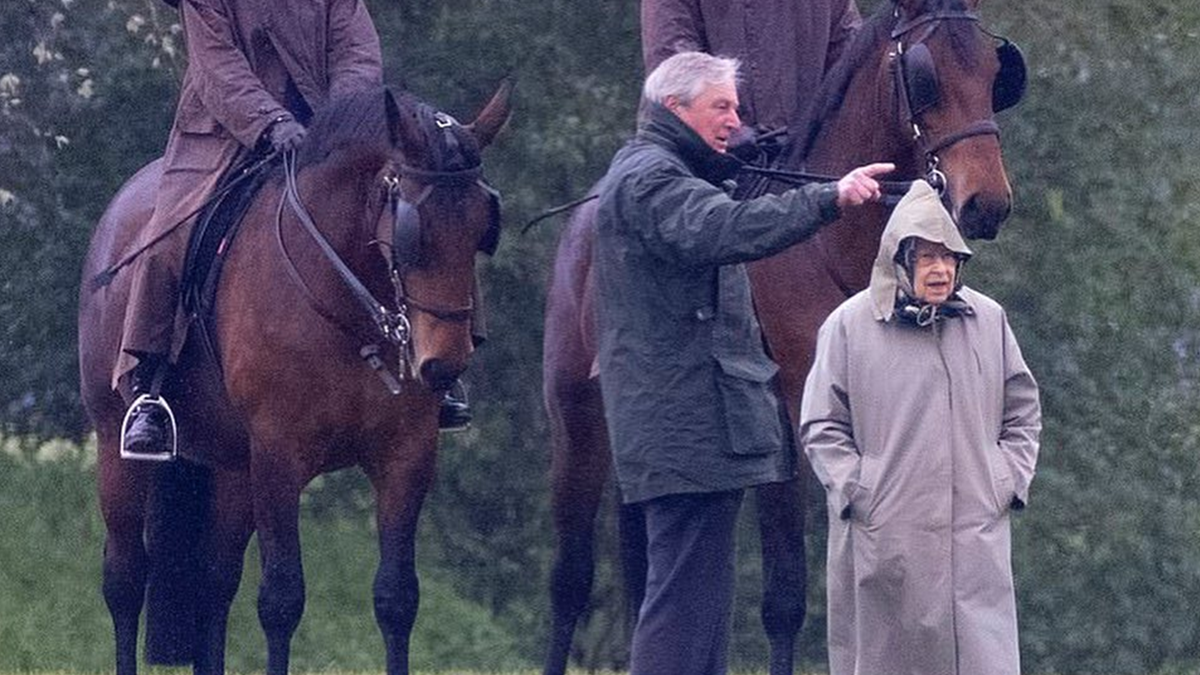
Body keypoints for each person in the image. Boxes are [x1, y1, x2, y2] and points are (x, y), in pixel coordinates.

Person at [593, 51, 893, 675]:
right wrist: (830, 198)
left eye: (735, 106)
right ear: (674, 108)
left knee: (702, 606)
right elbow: (724, 229)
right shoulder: (650, 178)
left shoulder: (673, 172)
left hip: (699, 426)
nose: (736, 120)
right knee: (681, 606)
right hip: (680, 425)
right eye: (721, 107)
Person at [114, 0, 468, 457]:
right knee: (168, 240)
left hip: (326, 137)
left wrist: (336, 124)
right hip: (225, 135)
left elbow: (357, 53)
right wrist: (271, 122)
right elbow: (216, 67)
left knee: (438, 206)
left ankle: (446, 367)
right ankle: (150, 385)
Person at [798, 181, 1042, 675]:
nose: (940, 269)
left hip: (974, 535)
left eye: (949, 257)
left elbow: (1022, 412)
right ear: (900, 259)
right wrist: (858, 489)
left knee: (981, 659)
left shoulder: (988, 320)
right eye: (927, 257)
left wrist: (1004, 480)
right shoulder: (849, 325)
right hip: (886, 537)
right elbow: (821, 424)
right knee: (887, 659)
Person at [642, 0, 861, 148]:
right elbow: (675, 69)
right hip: (699, 158)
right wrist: (733, 129)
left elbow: (851, 62)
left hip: (800, 159)